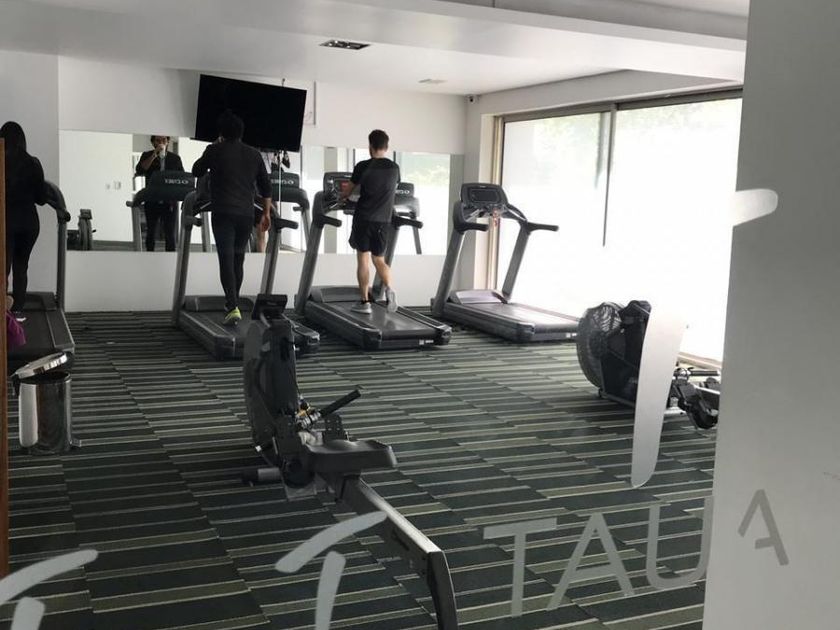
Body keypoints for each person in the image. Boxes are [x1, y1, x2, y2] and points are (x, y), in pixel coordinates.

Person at [192, 112, 271, 326]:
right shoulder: (254, 154)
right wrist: (266, 213)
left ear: (221, 133)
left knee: (226, 259)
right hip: (246, 214)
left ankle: (233, 304)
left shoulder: (214, 150)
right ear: (241, 133)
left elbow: (196, 170)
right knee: (238, 258)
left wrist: (212, 147)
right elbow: (266, 187)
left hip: (223, 213)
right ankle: (232, 303)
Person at [341, 129, 400, 315]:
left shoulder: (362, 166)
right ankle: (389, 289)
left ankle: (364, 302)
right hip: (384, 221)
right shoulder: (395, 168)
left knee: (363, 260)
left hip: (364, 219)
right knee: (379, 260)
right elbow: (392, 189)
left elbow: (347, 192)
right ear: (386, 147)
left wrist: (342, 195)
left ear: (370, 146)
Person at [2, 121, 46, 321]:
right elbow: (41, 198)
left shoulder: (1, 162)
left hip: (6, 222)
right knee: (21, 267)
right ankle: (17, 313)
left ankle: (3, 314)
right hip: (29, 224)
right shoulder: (34, 163)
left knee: (3, 269)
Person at [135, 135, 184, 251]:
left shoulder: (175, 158)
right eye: (158, 140)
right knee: (151, 232)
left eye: (164, 140)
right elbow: (140, 170)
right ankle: (149, 255)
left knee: (170, 233)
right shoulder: (147, 155)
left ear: (168, 142)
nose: (161, 142)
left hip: (169, 201)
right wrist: (154, 155)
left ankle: (170, 257)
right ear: (153, 143)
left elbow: (181, 176)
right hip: (152, 199)